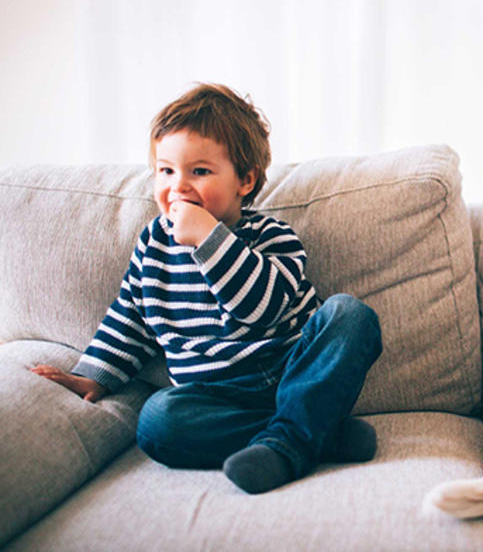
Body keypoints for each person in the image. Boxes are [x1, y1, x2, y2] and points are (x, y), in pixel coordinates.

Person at [31, 83, 382, 493]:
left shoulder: (274, 237)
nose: (178, 186)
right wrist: (94, 376)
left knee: (350, 314)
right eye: (166, 170)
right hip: (214, 399)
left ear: (245, 181)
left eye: (199, 171)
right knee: (158, 421)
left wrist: (209, 238)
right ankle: (312, 434)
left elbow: (259, 310)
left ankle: (288, 443)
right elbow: (131, 317)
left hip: (294, 372)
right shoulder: (153, 245)